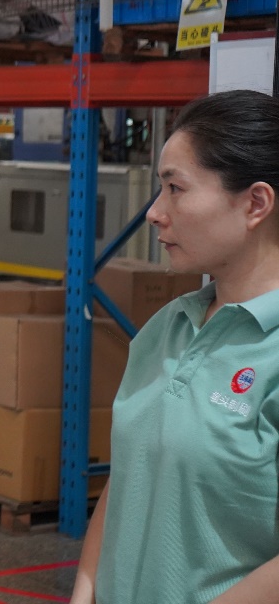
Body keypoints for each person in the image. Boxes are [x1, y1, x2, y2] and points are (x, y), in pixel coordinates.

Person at [70, 89, 279, 604]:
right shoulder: (168, 327)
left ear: (255, 203)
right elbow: (130, 477)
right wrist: (85, 589)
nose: (155, 212)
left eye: (175, 188)